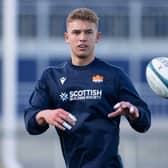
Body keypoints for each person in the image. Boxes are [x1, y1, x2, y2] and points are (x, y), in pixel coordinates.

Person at [24, 8, 151, 168]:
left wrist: (134, 112)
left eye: (88, 32)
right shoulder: (51, 77)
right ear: (67, 37)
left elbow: (144, 122)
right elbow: (30, 122)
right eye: (76, 32)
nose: (82, 38)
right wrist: (45, 114)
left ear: (97, 37)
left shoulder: (114, 75)